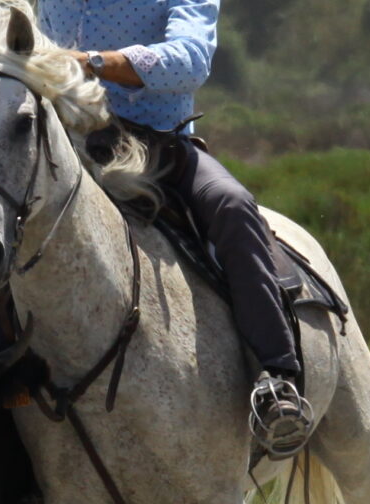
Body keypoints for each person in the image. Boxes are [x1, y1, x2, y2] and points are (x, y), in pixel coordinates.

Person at [38, 0, 312, 459]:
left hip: (158, 149)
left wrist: (92, 63)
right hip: (63, 153)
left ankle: (277, 377)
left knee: (232, 205)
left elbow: (189, 61)